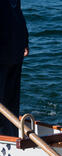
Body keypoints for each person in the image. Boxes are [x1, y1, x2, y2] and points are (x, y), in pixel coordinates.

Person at [0, 0, 29, 136]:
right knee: (5, 102)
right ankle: (7, 136)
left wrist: (24, 40)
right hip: (8, 49)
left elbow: (17, 12)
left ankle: (9, 137)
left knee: (10, 101)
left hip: (13, 48)